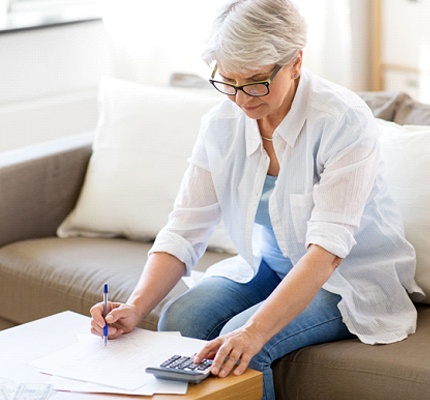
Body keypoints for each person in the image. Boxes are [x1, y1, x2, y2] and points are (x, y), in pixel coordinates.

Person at [90, 0, 424, 398]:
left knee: (241, 347)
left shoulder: (342, 120)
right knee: (181, 319)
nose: (243, 99)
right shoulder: (221, 123)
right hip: (270, 267)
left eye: (256, 82)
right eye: (229, 82)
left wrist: (253, 332)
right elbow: (184, 229)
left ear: (296, 62)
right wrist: (135, 306)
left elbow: (328, 251)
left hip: (345, 279)